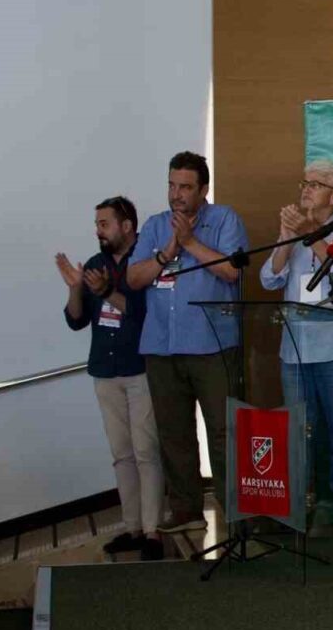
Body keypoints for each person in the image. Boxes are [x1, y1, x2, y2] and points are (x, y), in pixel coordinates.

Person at [127, 151, 247, 533]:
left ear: (203, 189)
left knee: (223, 431)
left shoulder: (225, 219)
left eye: (185, 187)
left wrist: (190, 241)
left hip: (213, 346)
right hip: (161, 347)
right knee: (173, 433)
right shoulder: (154, 225)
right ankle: (186, 511)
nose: (176, 194)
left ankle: (236, 511)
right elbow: (134, 278)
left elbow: (232, 271)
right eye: (171, 185)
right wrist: (167, 252)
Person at [259, 160, 333, 534]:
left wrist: (310, 234)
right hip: (295, 347)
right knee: (297, 432)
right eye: (304, 183)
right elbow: (269, 278)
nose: (306, 189)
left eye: (316, 185)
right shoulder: (295, 229)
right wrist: (287, 236)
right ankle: (296, 506)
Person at [58, 196, 164, 561]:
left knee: (146, 452)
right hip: (105, 371)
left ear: (127, 226)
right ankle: (132, 528)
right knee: (122, 455)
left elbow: (142, 313)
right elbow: (76, 320)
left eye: (104, 224)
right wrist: (75, 287)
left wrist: (107, 292)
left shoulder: (146, 260)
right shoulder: (95, 265)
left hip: (140, 368)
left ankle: (153, 531)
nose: (98, 231)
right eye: (97, 224)